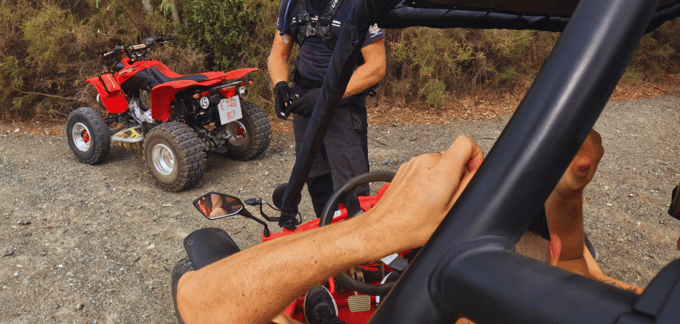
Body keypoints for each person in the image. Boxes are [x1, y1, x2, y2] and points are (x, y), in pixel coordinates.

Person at [175, 131, 642, 324]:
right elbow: (581, 266)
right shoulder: (602, 308)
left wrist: (375, 229)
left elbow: (199, 301)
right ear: (554, 252)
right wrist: (569, 191)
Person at [268, 0, 386, 218]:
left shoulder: (357, 1)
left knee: (351, 189)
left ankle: (359, 258)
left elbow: (376, 67)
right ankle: (325, 236)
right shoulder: (293, 0)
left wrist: (326, 96)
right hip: (305, 105)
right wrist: (280, 86)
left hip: (342, 107)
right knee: (316, 179)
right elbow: (278, 54)